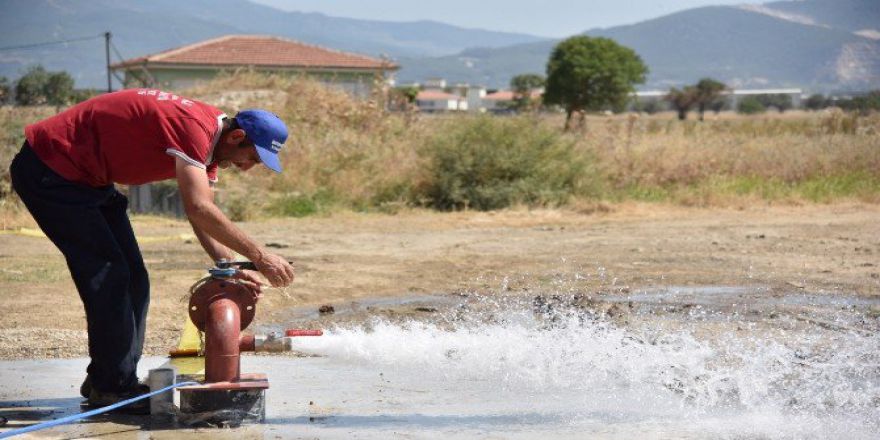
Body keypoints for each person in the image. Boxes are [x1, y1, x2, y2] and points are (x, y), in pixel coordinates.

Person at [9, 88, 296, 413]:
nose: (249, 168)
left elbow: (204, 216)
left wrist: (228, 267)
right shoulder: (194, 128)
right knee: (110, 276)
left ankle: (109, 378)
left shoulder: (211, 148)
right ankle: (112, 388)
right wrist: (260, 255)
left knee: (134, 279)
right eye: (254, 158)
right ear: (237, 136)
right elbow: (199, 208)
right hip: (52, 168)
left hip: (88, 180)